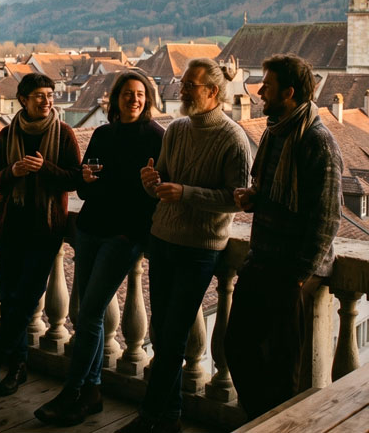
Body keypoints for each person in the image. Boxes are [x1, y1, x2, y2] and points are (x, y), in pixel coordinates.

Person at [118, 59, 251, 433]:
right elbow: (162, 186)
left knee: (174, 335)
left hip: (199, 247)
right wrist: (150, 182)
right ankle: (170, 417)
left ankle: (149, 417)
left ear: (213, 91)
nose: (182, 89)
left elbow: (235, 199)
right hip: (162, 238)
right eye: (183, 83)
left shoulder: (233, 138)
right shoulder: (176, 130)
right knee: (161, 333)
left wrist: (186, 193)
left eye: (191, 84)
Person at [34, 70, 165, 426]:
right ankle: (91, 392)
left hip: (122, 238)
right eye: (128, 93)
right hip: (90, 230)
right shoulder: (103, 134)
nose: (134, 99)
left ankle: (72, 391)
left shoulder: (156, 137)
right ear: (116, 98)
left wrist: (131, 235)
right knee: (84, 312)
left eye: (140, 94)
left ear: (147, 100)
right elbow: (84, 185)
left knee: (90, 313)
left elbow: (155, 196)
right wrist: (86, 179)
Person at [226, 54, 342, 420]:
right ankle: (260, 417)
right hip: (262, 259)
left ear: (288, 93)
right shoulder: (275, 132)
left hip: (290, 270)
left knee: (282, 365)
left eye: (267, 86)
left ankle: (272, 424)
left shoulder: (318, 141)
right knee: (236, 346)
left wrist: (299, 275)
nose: (259, 92)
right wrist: (253, 198)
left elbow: (327, 216)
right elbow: (274, 192)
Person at [0, 73, 82, 396]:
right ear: (23, 100)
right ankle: (17, 366)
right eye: (39, 95)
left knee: (26, 300)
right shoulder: (8, 134)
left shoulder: (63, 134)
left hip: (44, 230)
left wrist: (44, 168)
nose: (47, 101)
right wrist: (13, 171)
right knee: (10, 299)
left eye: (50, 95)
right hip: (9, 228)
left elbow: (75, 179)